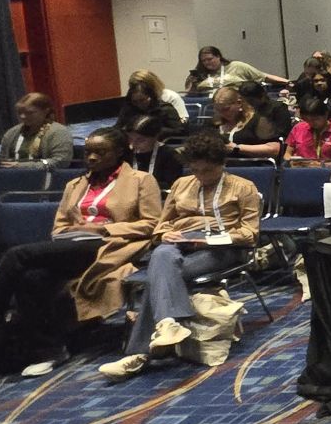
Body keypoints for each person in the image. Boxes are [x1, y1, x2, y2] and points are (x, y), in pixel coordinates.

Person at [0, 128, 160, 377]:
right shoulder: (75, 184)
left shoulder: (140, 180)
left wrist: (103, 229)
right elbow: (59, 226)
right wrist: (72, 230)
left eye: (100, 152)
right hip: (71, 245)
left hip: (111, 245)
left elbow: (151, 223)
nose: (92, 158)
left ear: (118, 152)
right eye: (89, 152)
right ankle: (48, 350)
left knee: (18, 255)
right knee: (33, 277)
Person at [95, 131, 262, 382]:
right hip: (180, 243)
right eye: (195, 170)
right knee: (162, 253)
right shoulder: (182, 185)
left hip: (221, 247)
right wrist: (166, 235)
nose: (201, 177)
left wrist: (206, 240)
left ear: (221, 164)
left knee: (158, 275)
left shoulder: (242, 187)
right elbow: (161, 226)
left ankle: (139, 354)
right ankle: (167, 325)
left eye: (207, 171)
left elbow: (250, 234)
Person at [0, 93, 73, 169]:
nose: (22, 116)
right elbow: (2, 157)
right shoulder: (12, 132)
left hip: (45, 178)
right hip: (12, 176)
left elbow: (60, 162)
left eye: (29, 113)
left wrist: (21, 166)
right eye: (19, 113)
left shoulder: (59, 132)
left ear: (46, 111)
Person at [212, 86, 282, 161]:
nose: (222, 113)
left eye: (226, 109)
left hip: (252, 167)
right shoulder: (214, 124)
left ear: (239, 103)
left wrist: (237, 148)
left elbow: (275, 149)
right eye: (218, 110)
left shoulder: (258, 121)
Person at [185, 45, 287, 94]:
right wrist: (193, 83)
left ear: (218, 56)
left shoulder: (237, 66)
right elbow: (190, 94)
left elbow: (263, 77)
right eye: (203, 61)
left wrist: (288, 82)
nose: (207, 63)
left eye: (210, 59)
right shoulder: (199, 74)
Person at [116, 71, 184, 139]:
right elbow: (118, 128)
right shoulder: (129, 108)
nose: (139, 104)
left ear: (150, 97)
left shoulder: (165, 108)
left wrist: (152, 130)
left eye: (142, 100)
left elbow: (179, 131)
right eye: (135, 102)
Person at [286, 99, 331, 165]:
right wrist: (291, 160)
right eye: (307, 119)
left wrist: (319, 165)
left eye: (315, 119)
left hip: (327, 172)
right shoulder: (298, 128)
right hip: (300, 170)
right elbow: (287, 154)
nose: (311, 123)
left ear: (326, 115)